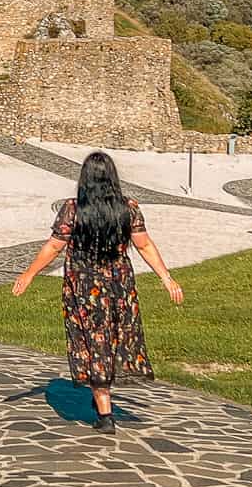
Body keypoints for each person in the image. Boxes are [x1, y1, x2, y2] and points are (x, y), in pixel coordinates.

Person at [12, 151, 183, 435]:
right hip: (119, 286)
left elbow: (55, 246)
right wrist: (166, 278)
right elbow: (144, 245)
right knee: (112, 340)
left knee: (93, 342)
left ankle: (105, 413)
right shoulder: (128, 208)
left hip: (83, 286)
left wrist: (29, 274)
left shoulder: (73, 209)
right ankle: (102, 397)